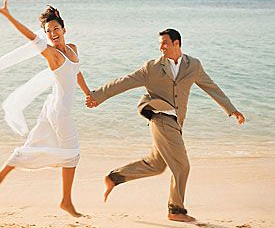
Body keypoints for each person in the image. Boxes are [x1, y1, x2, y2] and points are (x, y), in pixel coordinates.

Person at [86, 28, 245, 222]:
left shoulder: (193, 65)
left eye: (165, 43)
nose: (161, 46)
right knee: (182, 166)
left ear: (177, 43)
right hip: (160, 118)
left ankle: (115, 178)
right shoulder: (151, 68)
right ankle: (176, 210)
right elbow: (124, 82)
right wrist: (96, 96)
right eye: (160, 43)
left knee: (156, 164)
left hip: (176, 122)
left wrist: (231, 109)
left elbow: (211, 87)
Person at [0, 1, 91, 218]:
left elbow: (77, 73)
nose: (53, 33)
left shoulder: (73, 49)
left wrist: (88, 93)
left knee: (35, 145)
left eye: (56, 29)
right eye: (48, 31)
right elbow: (31, 38)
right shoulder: (53, 55)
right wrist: (7, 15)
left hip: (54, 107)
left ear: (64, 29)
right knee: (73, 155)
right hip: (60, 112)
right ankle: (66, 202)